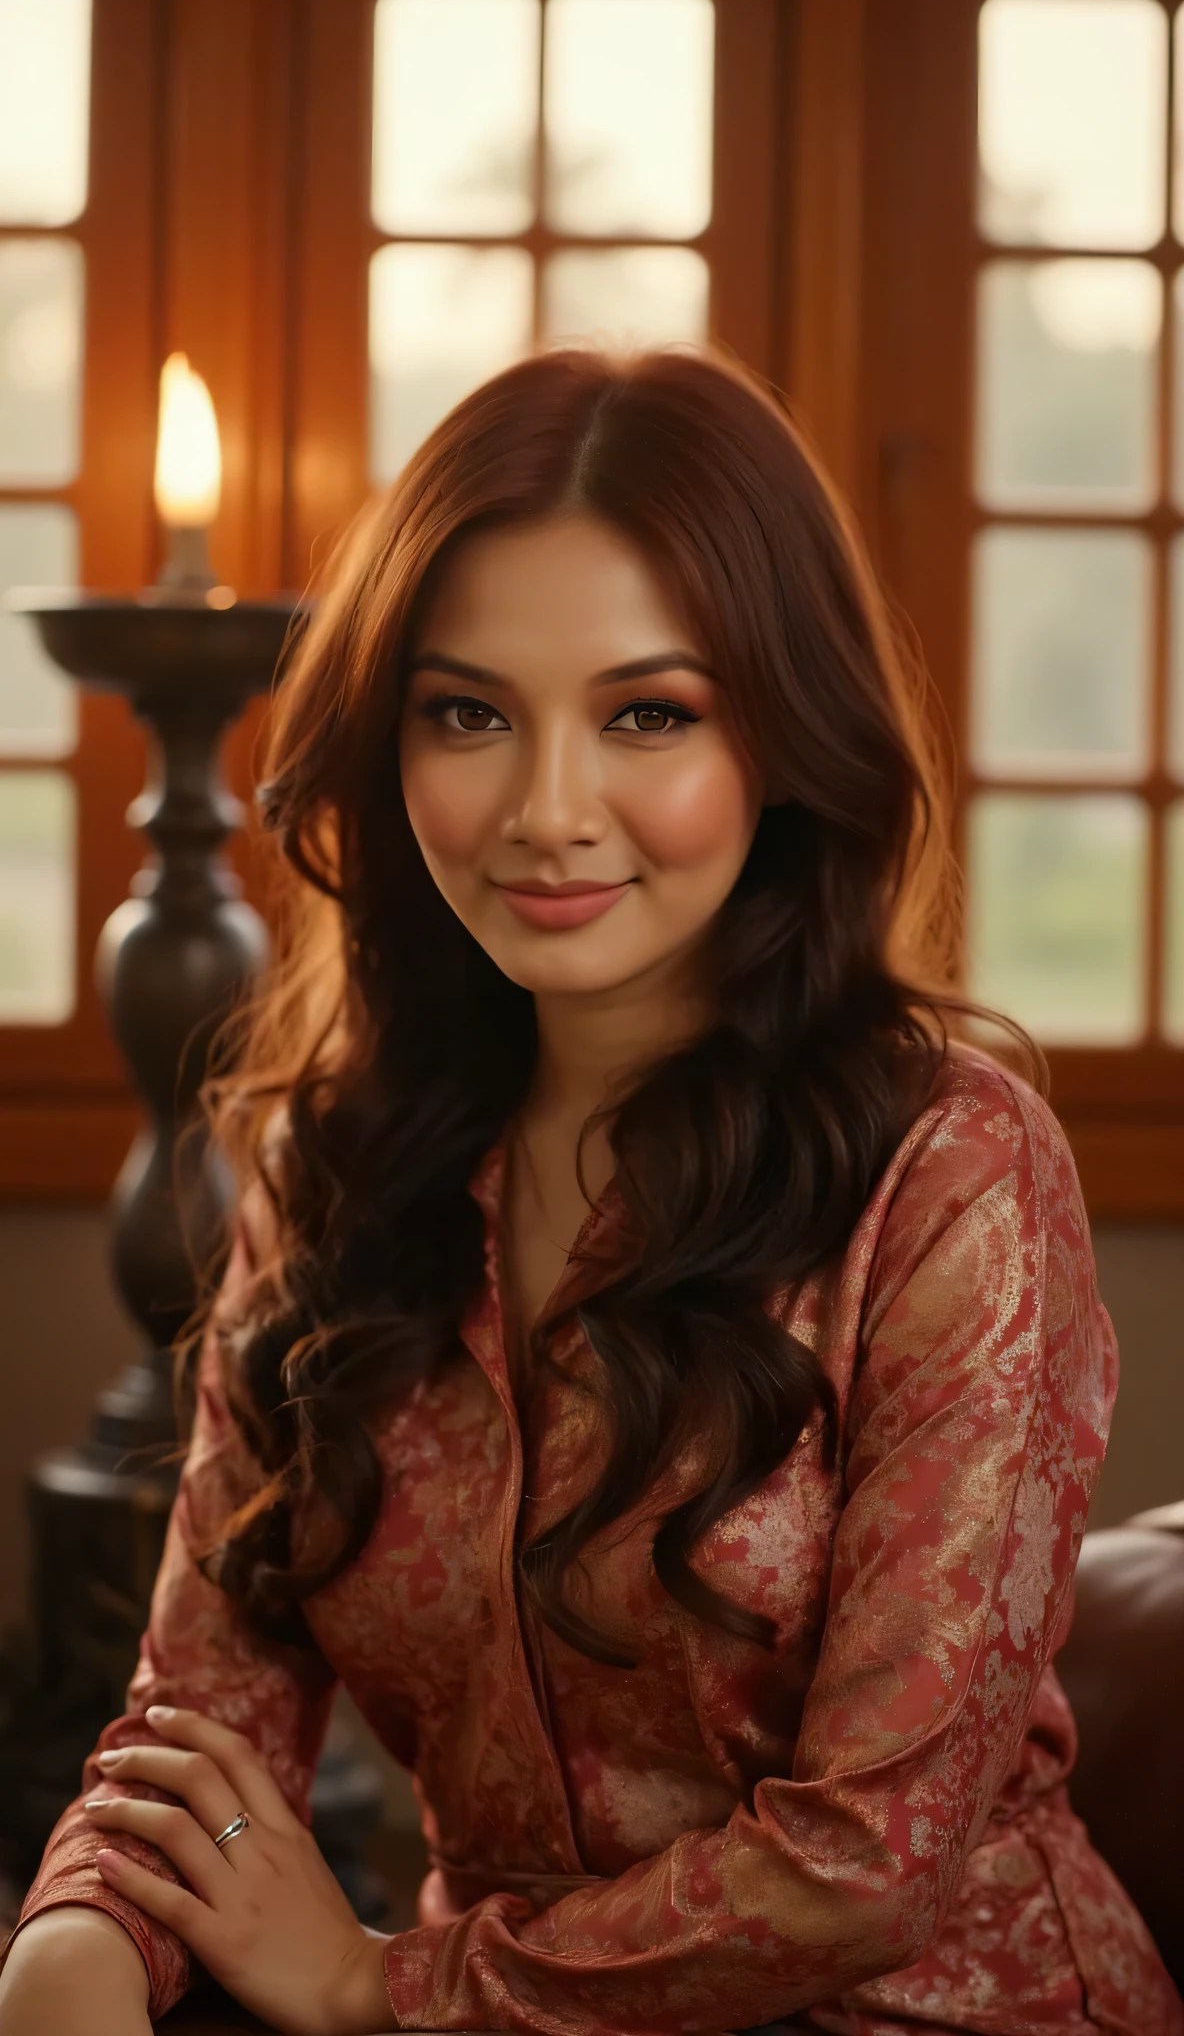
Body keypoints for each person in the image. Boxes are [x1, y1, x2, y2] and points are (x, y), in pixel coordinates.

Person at [0, 348, 1177, 2036]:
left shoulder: (953, 1170)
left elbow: (871, 1861)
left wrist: (384, 1988)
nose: (549, 812)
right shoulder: (337, 1170)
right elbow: (197, 1730)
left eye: (650, 714)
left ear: (779, 734)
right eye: (469, 712)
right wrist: (73, 1954)